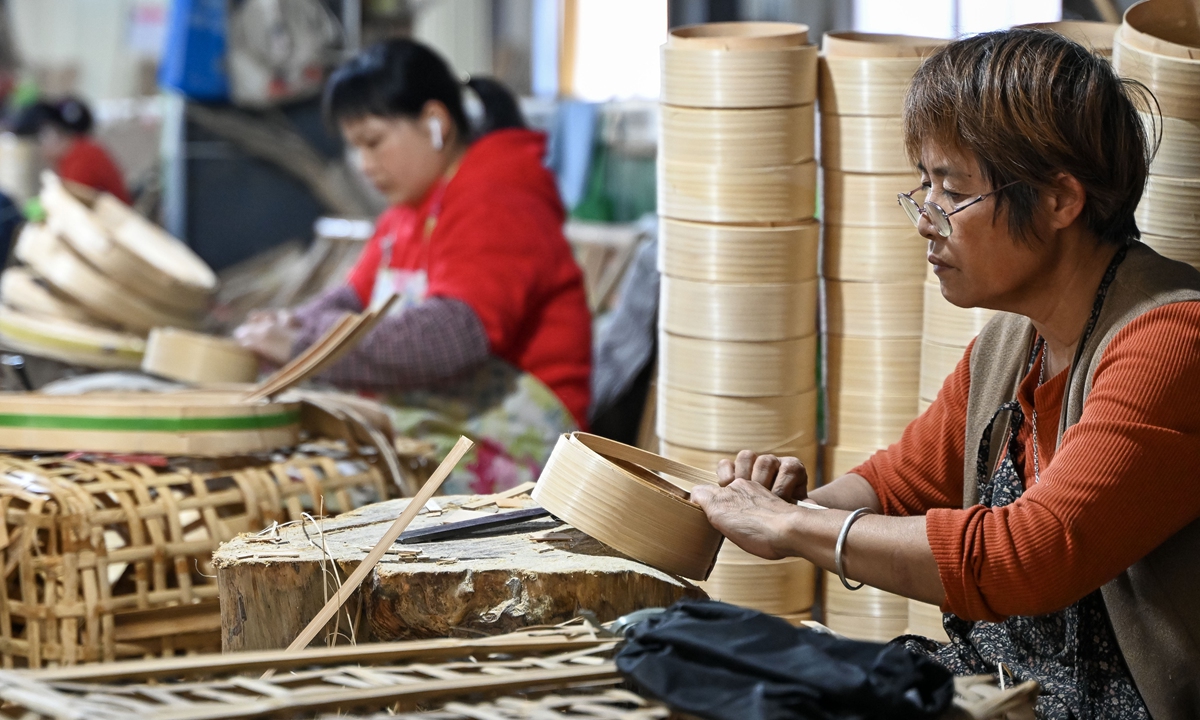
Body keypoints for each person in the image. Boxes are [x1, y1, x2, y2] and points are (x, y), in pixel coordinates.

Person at [691, 30, 1200, 720]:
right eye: (923, 185)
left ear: (1061, 199)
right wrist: (786, 506)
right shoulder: (1012, 344)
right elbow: (899, 484)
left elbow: (1030, 555)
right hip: (1013, 691)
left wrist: (791, 529)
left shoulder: (1172, 341)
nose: (926, 222)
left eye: (952, 191)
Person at [235, 39, 591, 495]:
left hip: (519, 442)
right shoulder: (406, 213)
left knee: (321, 487)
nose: (364, 165)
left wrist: (306, 345)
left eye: (373, 142)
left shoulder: (498, 197)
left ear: (435, 122)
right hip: (446, 414)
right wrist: (291, 323)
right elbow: (353, 297)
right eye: (354, 148)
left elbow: (451, 336)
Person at [36, 97, 131, 204]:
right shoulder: (84, 150)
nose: (41, 145)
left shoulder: (81, 160)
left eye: (43, 136)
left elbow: (71, 205)